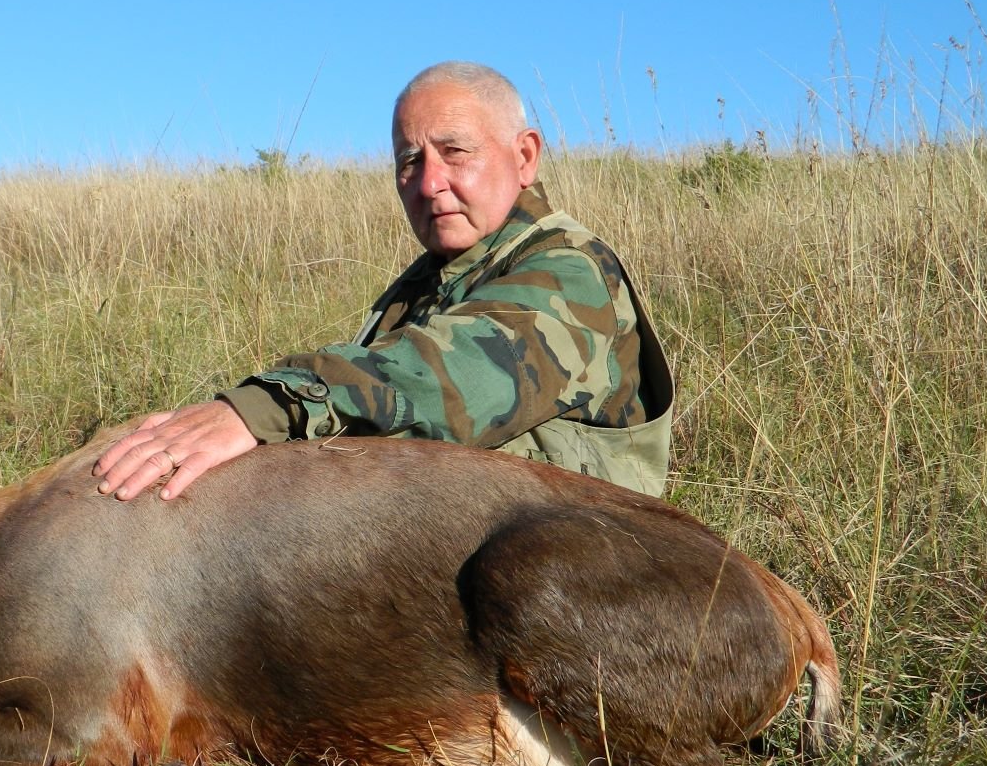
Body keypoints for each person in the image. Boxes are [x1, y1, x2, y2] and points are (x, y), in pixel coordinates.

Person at [94, 61, 673, 501]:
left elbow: (454, 379)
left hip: (579, 559)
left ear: (525, 157)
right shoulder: (430, 280)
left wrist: (266, 406)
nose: (428, 184)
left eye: (455, 153)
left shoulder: (570, 268)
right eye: (409, 161)